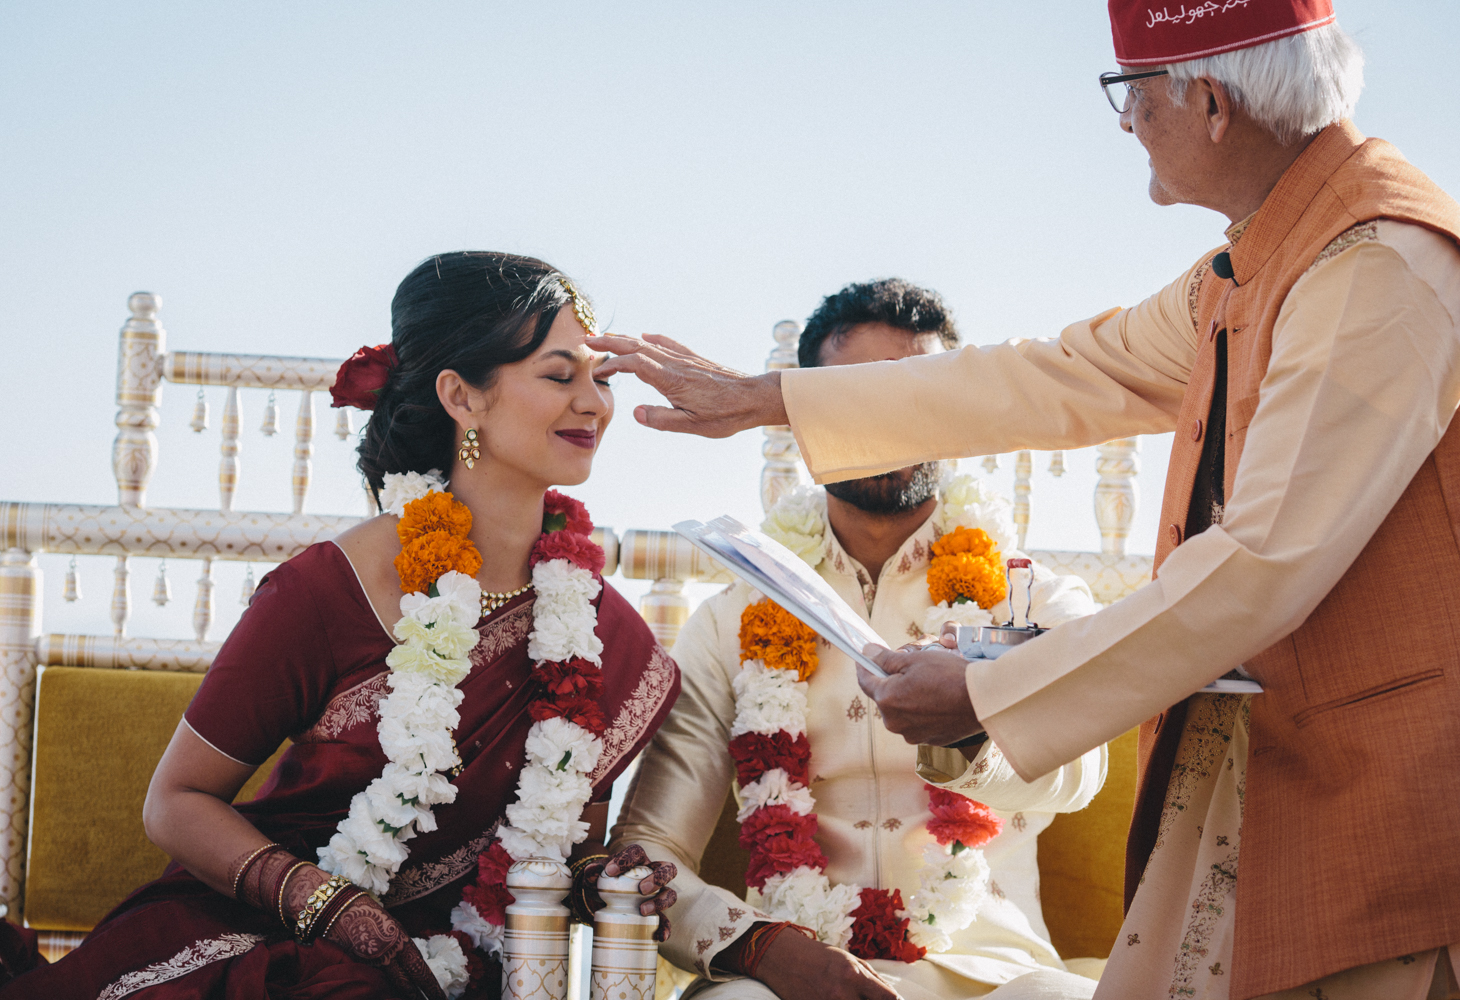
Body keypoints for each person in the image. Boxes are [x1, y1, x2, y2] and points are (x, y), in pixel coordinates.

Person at [593, 4, 1460, 998]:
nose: (1123, 121)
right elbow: (1057, 376)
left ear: (1210, 103)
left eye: (1127, 92)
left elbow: (1259, 567)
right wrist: (770, 400)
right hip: (1282, 793)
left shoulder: (1373, 264)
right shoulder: (1253, 266)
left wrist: (981, 698)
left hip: (1386, 801)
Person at [0, 253, 681, 1000]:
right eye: (560, 376)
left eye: (602, 377)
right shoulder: (333, 588)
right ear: (462, 396)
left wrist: (603, 881)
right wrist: (325, 903)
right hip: (257, 949)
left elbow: (556, 850)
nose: (595, 405)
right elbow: (176, 802)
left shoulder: (605, 633)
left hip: (452, 973)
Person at [610, 279, 1107, 1000]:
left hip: (996, 976)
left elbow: (1082, 773)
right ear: (810, 416)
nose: (888, 422)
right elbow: (647, 850)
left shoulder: (1030, 598)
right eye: (856, 399)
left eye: (916, 392)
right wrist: (762, 948)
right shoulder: (731, 617)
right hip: (793, 977)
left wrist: (972, 725)